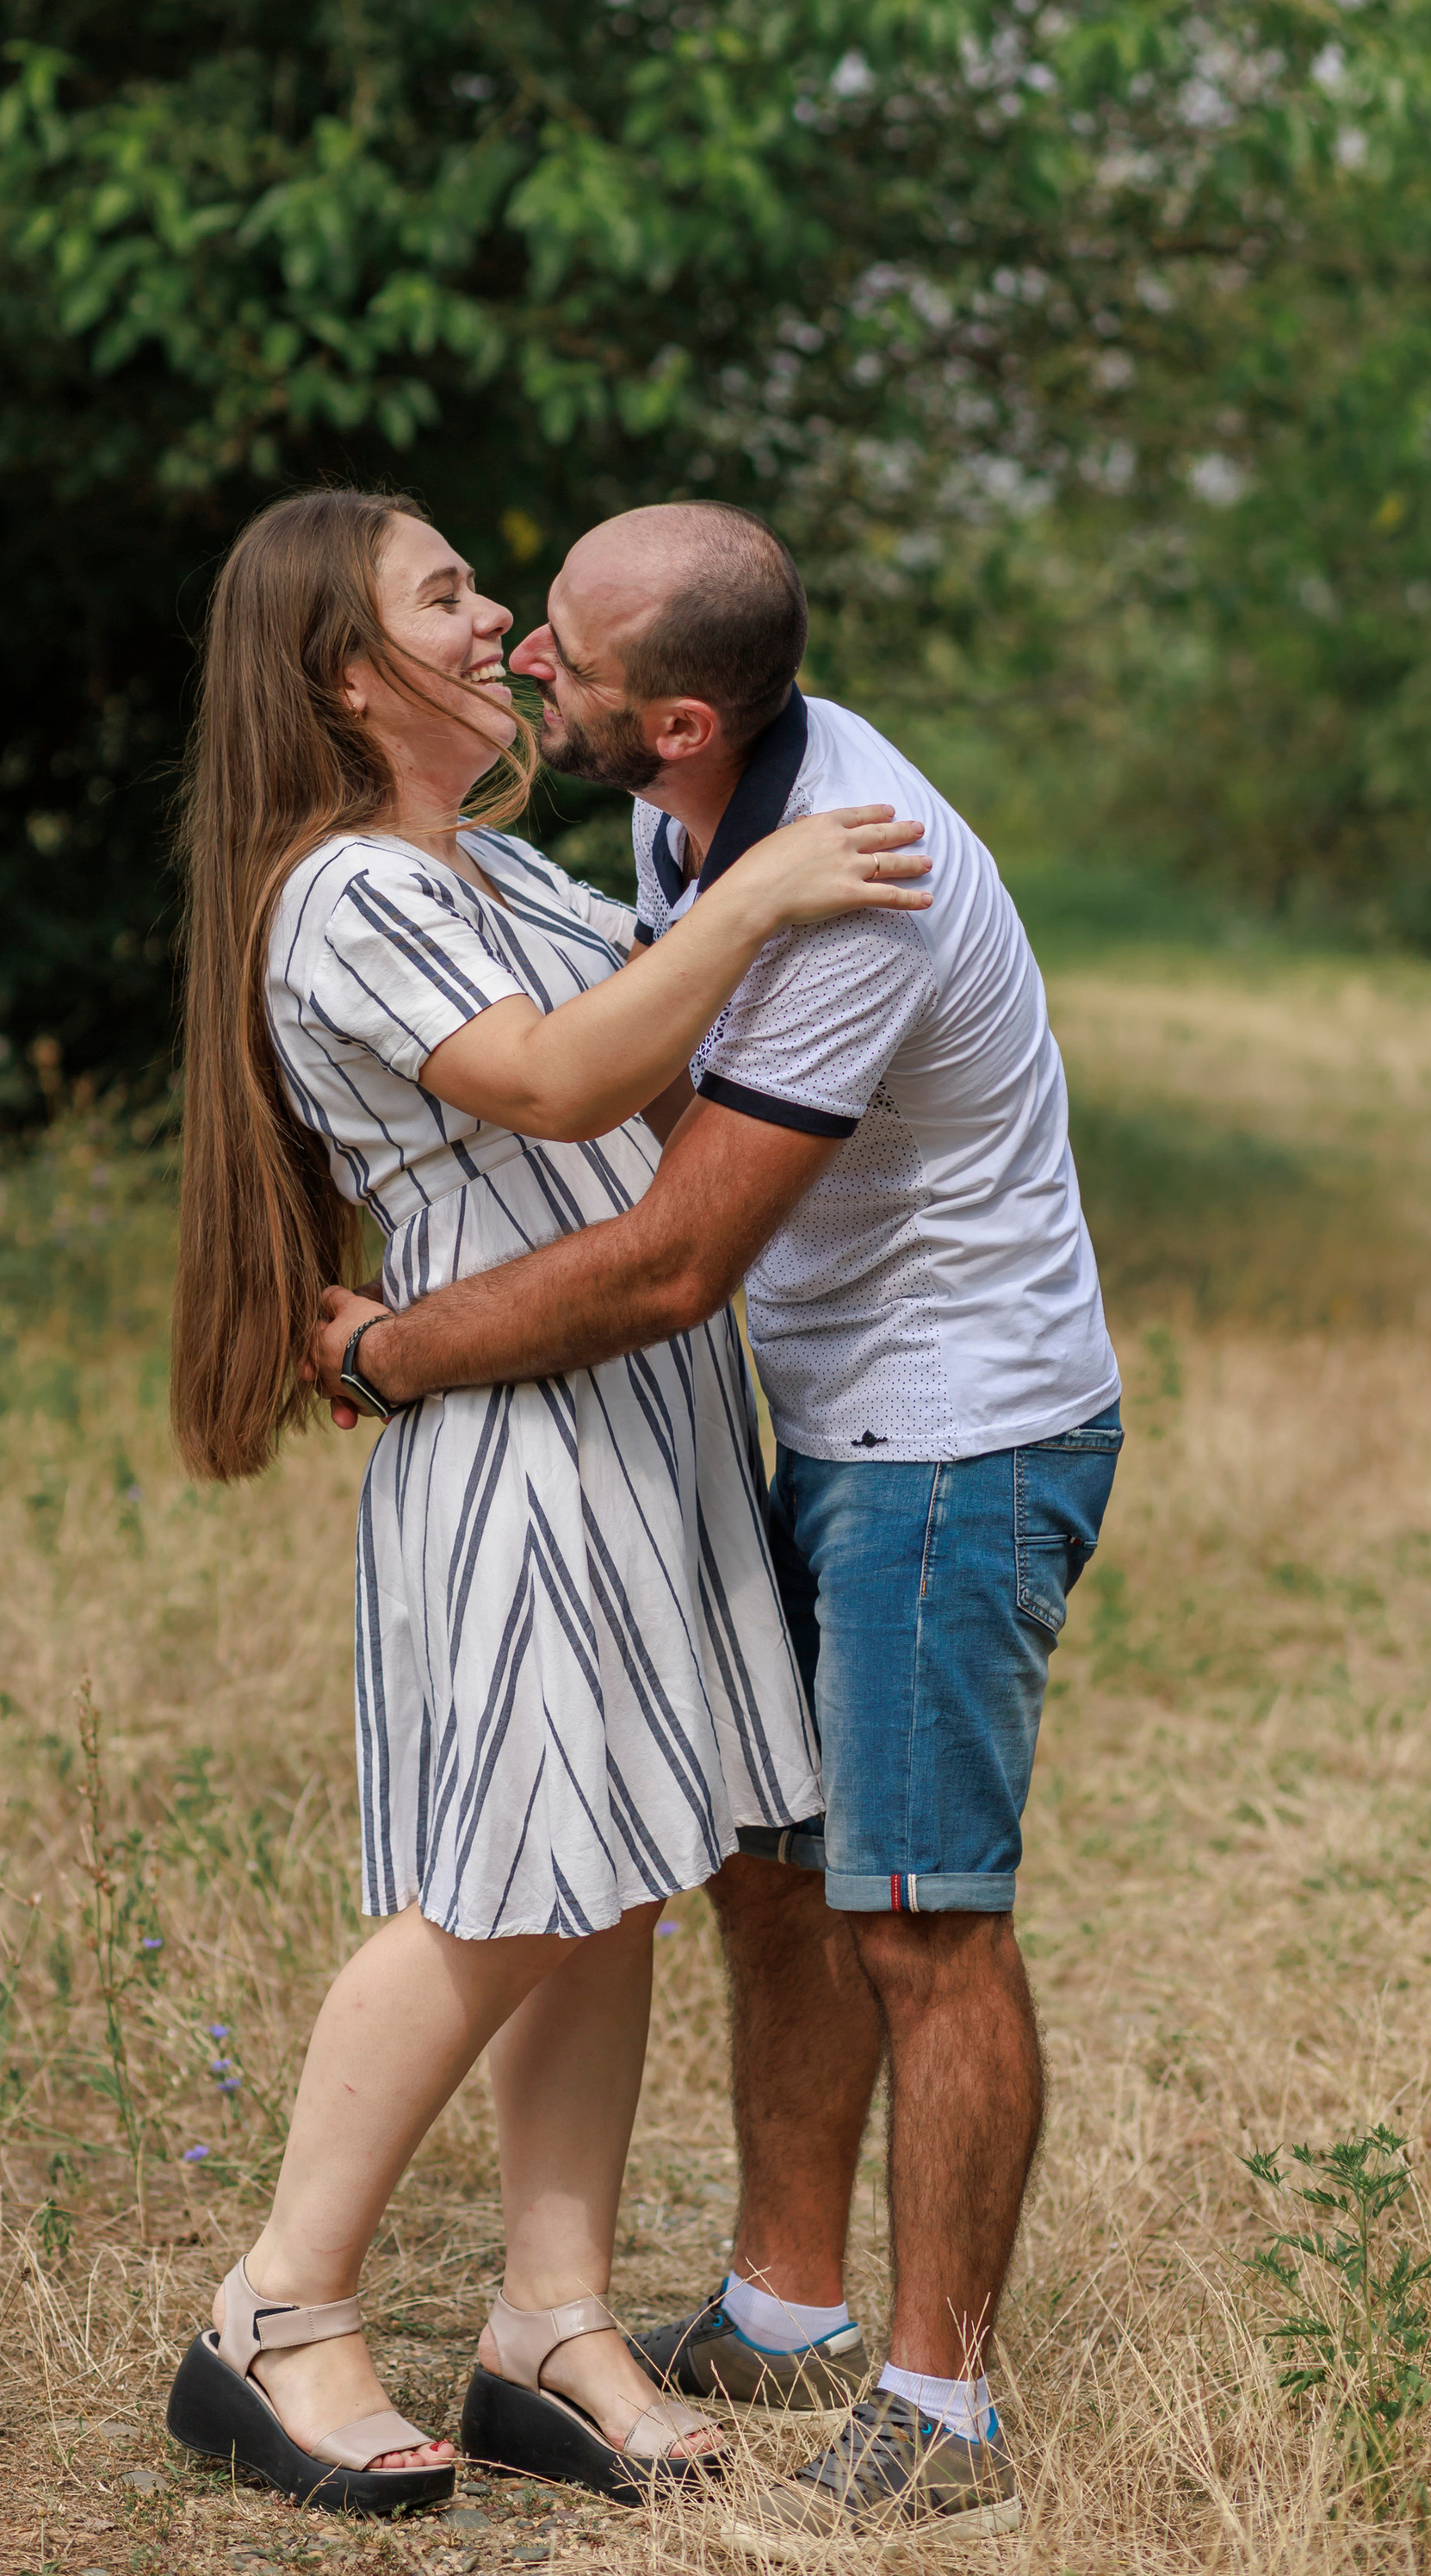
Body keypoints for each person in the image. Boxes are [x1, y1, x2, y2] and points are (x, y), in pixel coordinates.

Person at [312, 501, 1123, 2539]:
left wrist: (387, 1356)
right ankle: (782, 2309)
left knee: (917, 1915)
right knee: (770, 1860)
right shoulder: (704, 813)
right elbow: (616, 1060)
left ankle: (935, 2405)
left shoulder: (842, 878)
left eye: (559, 665)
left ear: (672, 719)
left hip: (950, 1435)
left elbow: (669, 1260)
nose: (519, 665)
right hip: (833, 1403)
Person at [160, 486, 934, 2517]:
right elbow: (565, 1081)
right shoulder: (342, 894)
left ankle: (545, 2319)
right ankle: (277, 2310)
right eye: (449, 595)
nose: (500, 624)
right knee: (504, 1877)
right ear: (346, 674)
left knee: (608, 1870)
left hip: (639, 1418)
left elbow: (677, 1064)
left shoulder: (493, 867)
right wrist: (756, 899)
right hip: (515, 1442)